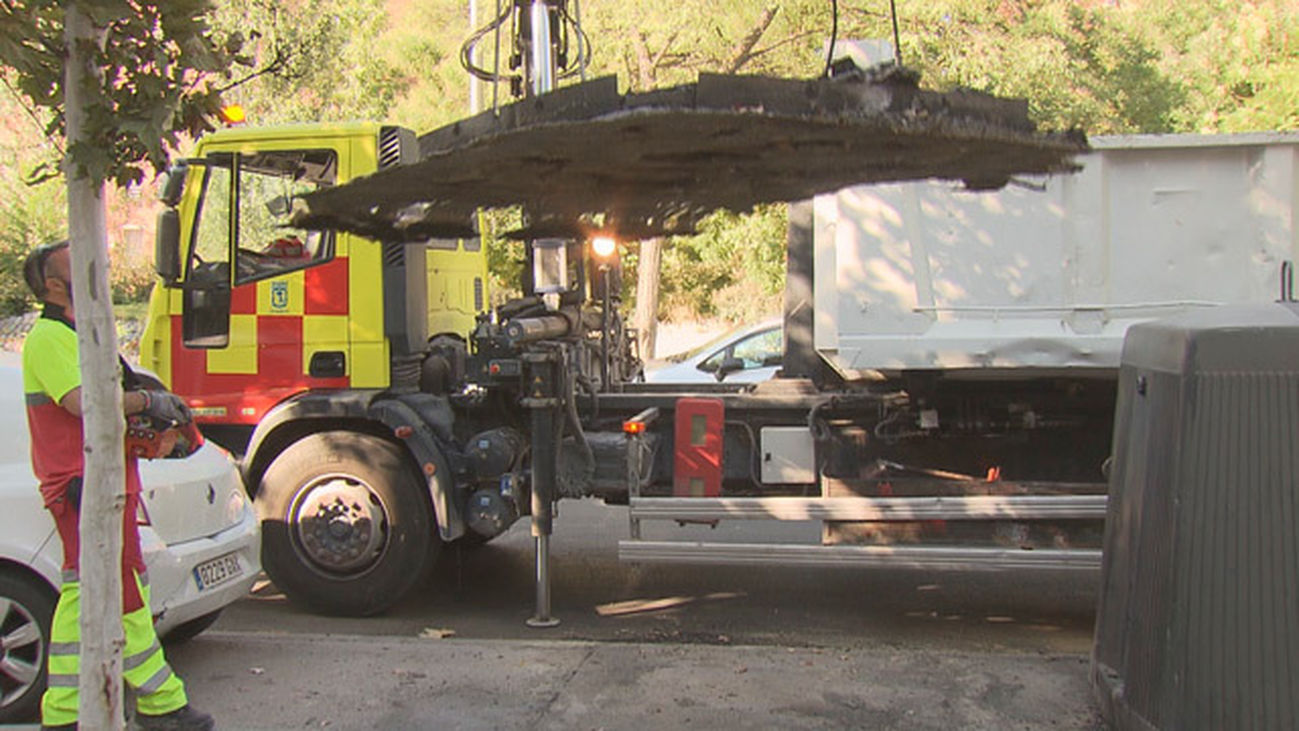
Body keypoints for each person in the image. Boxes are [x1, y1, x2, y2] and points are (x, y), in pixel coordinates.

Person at [21, 241, 214, 731]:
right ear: (53, 285)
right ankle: (161, 704)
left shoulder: (81, 332)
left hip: (103, 480)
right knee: (118, 588)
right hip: (80, 484)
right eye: (81, 267)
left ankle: (65, 713)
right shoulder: (48, 337)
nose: (98, 273)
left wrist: (154, 421)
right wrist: (147, 399)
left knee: (88, 590)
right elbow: (80, 402)